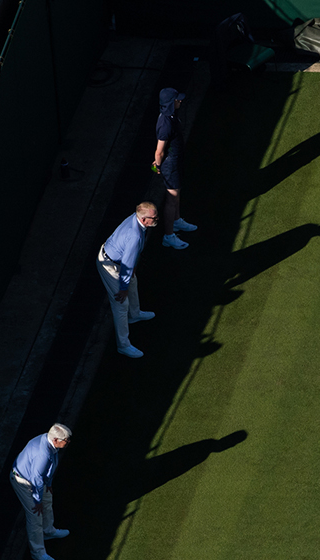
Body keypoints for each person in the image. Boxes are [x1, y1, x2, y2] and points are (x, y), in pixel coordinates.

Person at [97, 202, 158, 358]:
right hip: (110, 266)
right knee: (120, 303)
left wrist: (132, 272)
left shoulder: (136, 221)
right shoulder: (134, 236)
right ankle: (123, 345)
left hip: (116, 259)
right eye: (154, 217)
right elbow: (126, 265)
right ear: (144, 219)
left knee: (133, 281)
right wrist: (122, 289)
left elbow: (131, 260)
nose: (156, 218)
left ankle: (135, 314)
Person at [11, 423, 70, 560]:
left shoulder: (49, 442)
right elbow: (35, 478)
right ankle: (37, 553)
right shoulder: (42, 453)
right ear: (56, 440)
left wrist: (48, 484)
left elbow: (49, 468)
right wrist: (37, 501)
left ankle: (48, 531)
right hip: (24, 481)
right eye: (66, 440)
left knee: (47, 501)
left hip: (36, 480)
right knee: (35, 516)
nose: (68, 442)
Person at [151, 87, 196, 251]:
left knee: (176, 195)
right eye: (177, 99)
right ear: (171, 102)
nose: (180, 101)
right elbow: (159, 151)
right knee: (172, 198)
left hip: (175, 161)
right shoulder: (165, 124)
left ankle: (176, 221)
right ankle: (168, 236)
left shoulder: (170, 116)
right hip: (170, 164)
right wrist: (158, 165)